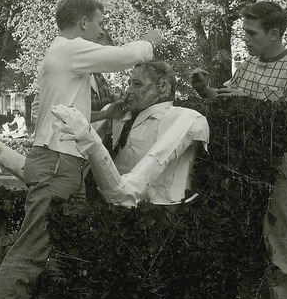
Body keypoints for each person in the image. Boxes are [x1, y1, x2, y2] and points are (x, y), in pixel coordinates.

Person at [0, 0, 164, 299]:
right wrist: (149, 43)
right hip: (58, 163)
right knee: (32, 249)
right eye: (100, 23)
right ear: (83, 23)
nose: (102, 30)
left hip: (63, 162)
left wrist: (103, 114)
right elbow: (123, 57)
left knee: (61, 249)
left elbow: (63, 113)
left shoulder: (63, 56)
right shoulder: (69, 48)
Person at [192, 1, 287, 299]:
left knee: (285, 246)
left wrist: (253, 105)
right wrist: (206, 91)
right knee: (250, 246)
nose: (245, 39)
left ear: (274, 33)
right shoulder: (247, 66)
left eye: (251, 32)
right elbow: (227, 100)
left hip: (277, 168)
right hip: (244, 168)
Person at [51, 61, 209, 206]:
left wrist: (91, 141)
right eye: (129, 83)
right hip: (110, 208)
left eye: (137, 84)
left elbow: (124, 195)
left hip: (155, 213)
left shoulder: (185, 118)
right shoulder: (118, 114)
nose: (128, 91)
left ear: (162, 86)